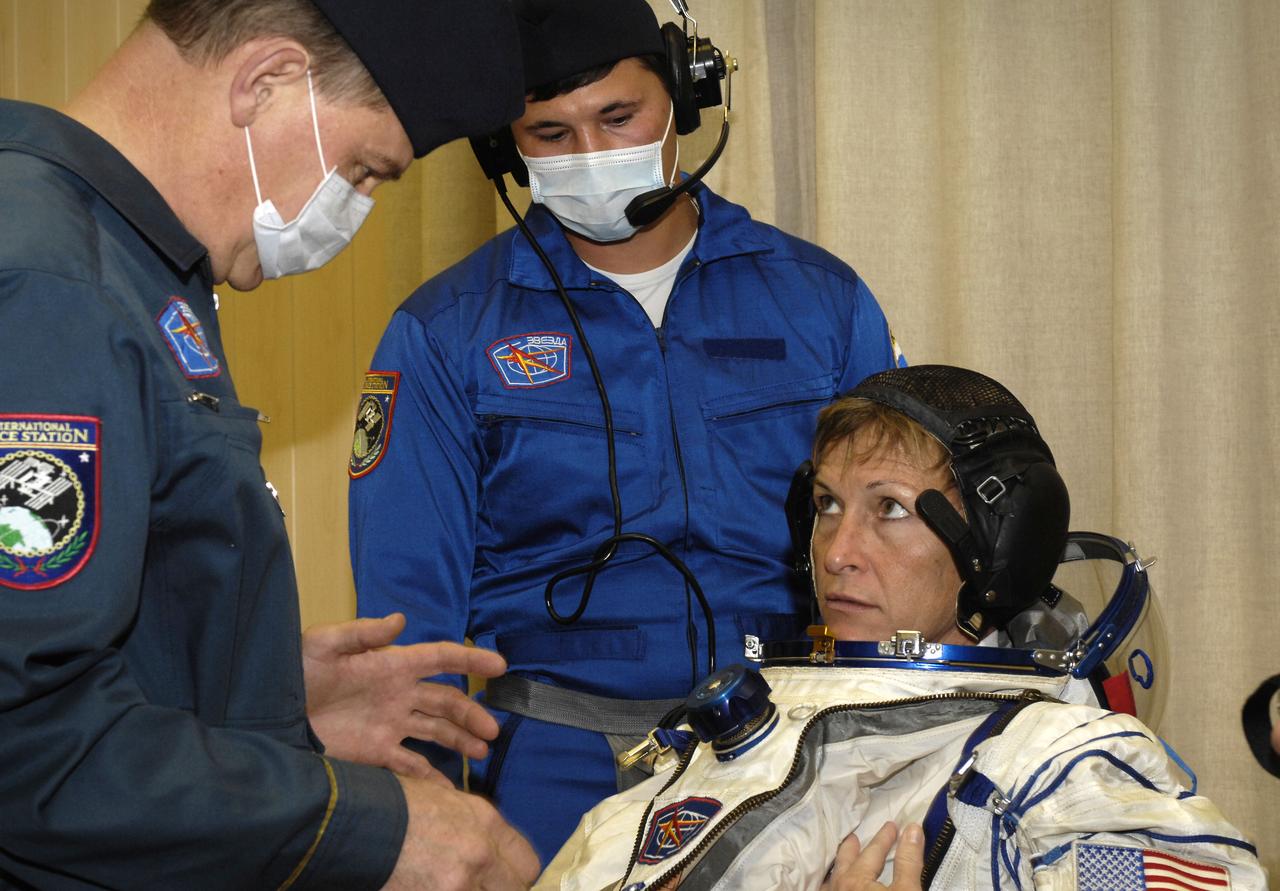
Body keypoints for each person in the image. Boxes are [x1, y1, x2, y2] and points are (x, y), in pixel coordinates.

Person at [347, 0, 904, 863]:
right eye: (551, 133)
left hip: (790, 743)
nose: (592, 154)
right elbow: (411, 618)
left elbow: (902, 549)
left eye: (619, 117)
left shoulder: (821, 302)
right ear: (506, 146)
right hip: (546, 760)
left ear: (682, 97)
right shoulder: (445, 333)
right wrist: (425, 816)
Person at [0, 1, 542, 888]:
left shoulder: (129, 263)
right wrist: (375, 828)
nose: (355, 209)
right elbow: (27, 737)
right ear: (267, 82)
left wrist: (257, 697)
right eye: (363, 170)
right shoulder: (52, 283)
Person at [534, 365, 1267, 890]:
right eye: (827, 505)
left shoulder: (1057, 764)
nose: (837, 552)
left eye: (889, 509)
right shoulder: (742, 727)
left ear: (996, 546)